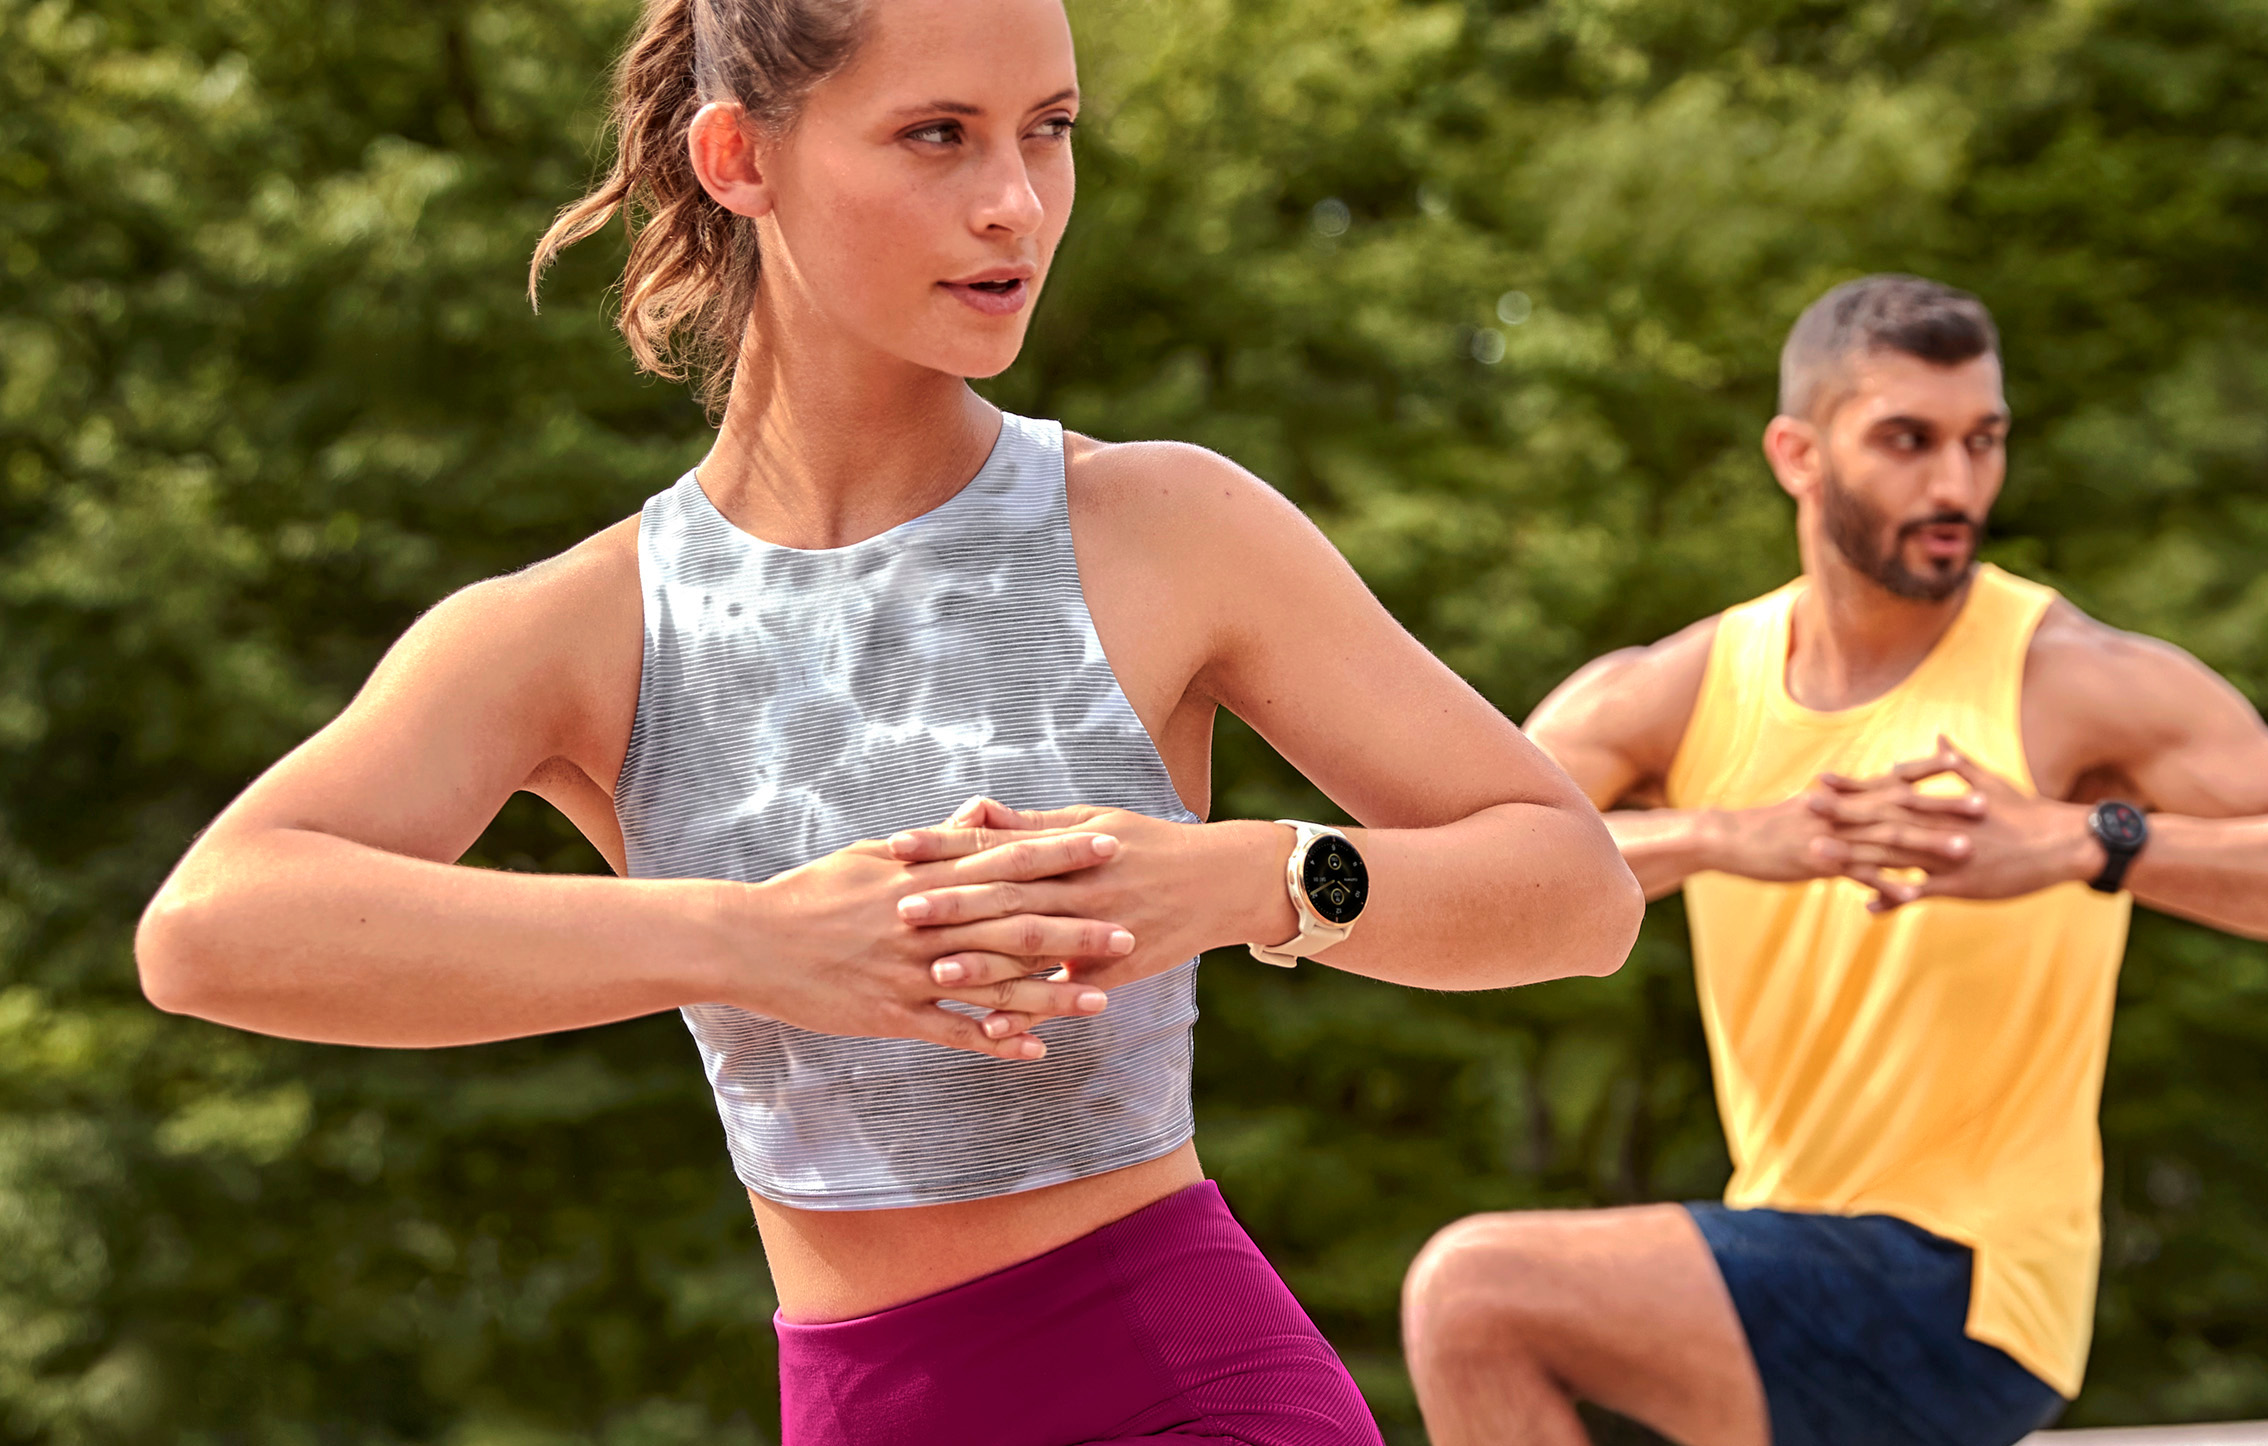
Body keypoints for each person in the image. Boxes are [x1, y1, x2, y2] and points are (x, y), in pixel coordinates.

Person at [130, 0, 1644, 1441]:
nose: (1016, 204)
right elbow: (213, 927)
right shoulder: (579, 628)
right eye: (937, 135)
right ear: (741, 158)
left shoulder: (1164, 525)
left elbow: (1575, 890)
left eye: (1046, 130)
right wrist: (744, 940)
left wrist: (1247, 879)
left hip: (1180, 1389)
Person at [1398, 275, 2268, 1446]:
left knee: (1476, 1294)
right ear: (1797, 454)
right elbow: (1456, 872)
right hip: (1788, 1252)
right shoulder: (1676, 690)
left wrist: (2087, 840)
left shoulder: (2073, 678)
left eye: (1982, 442)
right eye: (1908, 441)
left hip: (1974, 1284)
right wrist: (1721, 835)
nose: (1956, 486)